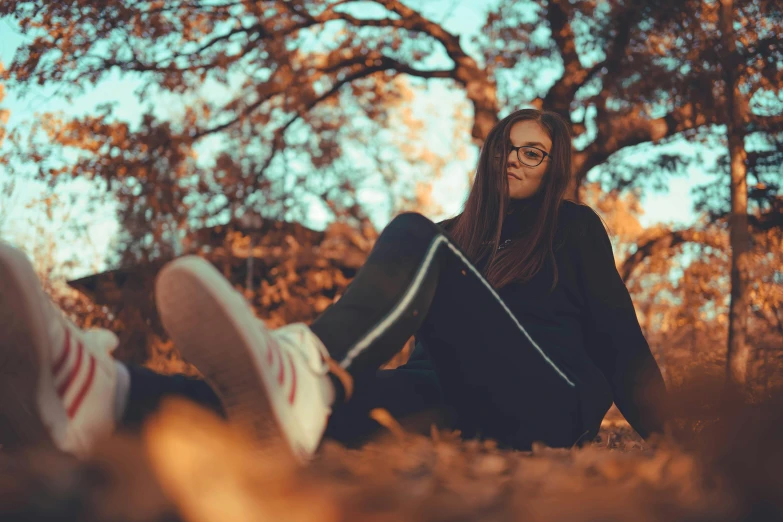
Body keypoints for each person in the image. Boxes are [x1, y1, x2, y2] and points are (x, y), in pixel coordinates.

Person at [0, 109, 667, 462]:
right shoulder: (454, 235)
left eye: (534, 153)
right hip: (452, 401)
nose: (515, 160)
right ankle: (107, 393)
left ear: (552, 170)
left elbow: (617, 339)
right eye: (507, 146)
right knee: (264, 405)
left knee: (411, 236)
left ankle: (310, 368)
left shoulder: (573, 230)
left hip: (548, 401)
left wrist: (680, 435)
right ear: (489, 154)